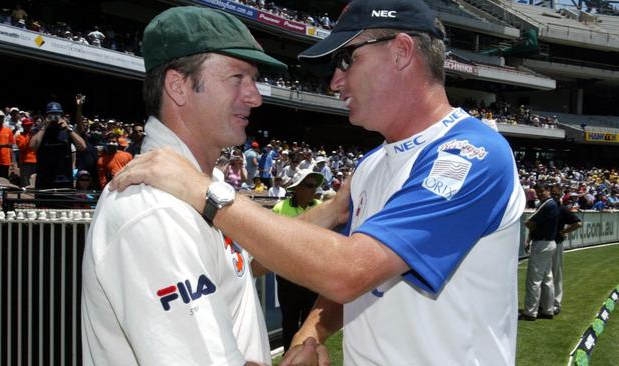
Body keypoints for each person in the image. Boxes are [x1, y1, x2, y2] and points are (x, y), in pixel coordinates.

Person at [110, 0, 525, 364]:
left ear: (401, 52)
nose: (334, 81)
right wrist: (310, 332)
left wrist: (204, 191)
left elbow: (350, 271)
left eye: (346, 59)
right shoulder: (370, 168)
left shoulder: (471, 155)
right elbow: (355, 273)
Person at [80, 7, 325, 366]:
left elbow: (246, 260)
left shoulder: (204, 187)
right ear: (178, 86)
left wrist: (337, 208)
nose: (255, 97)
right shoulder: (155, 212)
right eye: (237, 77)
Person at [272, 170, 323, 351]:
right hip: (288, 276)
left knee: (310, 323)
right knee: (290, 322)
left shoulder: (320, 206)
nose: (314, 190)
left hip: (312, 276)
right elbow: (275, 241)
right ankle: (289, 358)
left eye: (315, 186)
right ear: (298, 188)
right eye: (309, 186)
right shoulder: (280, 208)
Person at [520, 184, 559, 321]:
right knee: (547, 278)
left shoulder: (547, 204)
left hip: (542, 243)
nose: (540, 194)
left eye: (542, 191)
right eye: (538, 192)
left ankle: (530, 312)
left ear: (548, 191)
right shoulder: (551, 204)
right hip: (549, 242)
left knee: (534, 280)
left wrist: (532, 229)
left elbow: (528, 222)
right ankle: (548, 309)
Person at [29, 101, 86, 189]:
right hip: (44, 179)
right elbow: (32, 147)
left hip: (64, 179)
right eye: (51, 114)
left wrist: (69, 129)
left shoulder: (67, 130)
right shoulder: (40, 131)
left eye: (57, 114)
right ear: (46, 116)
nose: (54, 117)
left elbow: (82, 147)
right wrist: (44, 127)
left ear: (62, 116)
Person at [548, 184, 582, 315]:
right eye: (553, 194)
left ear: (561, 195)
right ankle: (544, 302)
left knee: (556, 274)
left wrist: (564, 231)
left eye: (557, 194)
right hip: (545, 244)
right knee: (545, 276)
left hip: (557, 243)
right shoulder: (545, 207)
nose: (555, 196)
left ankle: (556, 302)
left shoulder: (562, 209)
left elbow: (578, 223)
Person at [15, 117, 37, 187]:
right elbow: (23, 147)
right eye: (27, 125)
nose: (29, 127)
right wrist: (29, 136)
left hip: (36, 161)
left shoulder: (36, 135)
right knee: (25, 182)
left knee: (35, 181)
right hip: (25, 162)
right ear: (23, 126)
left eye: (30, 125)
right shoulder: (19, 136)